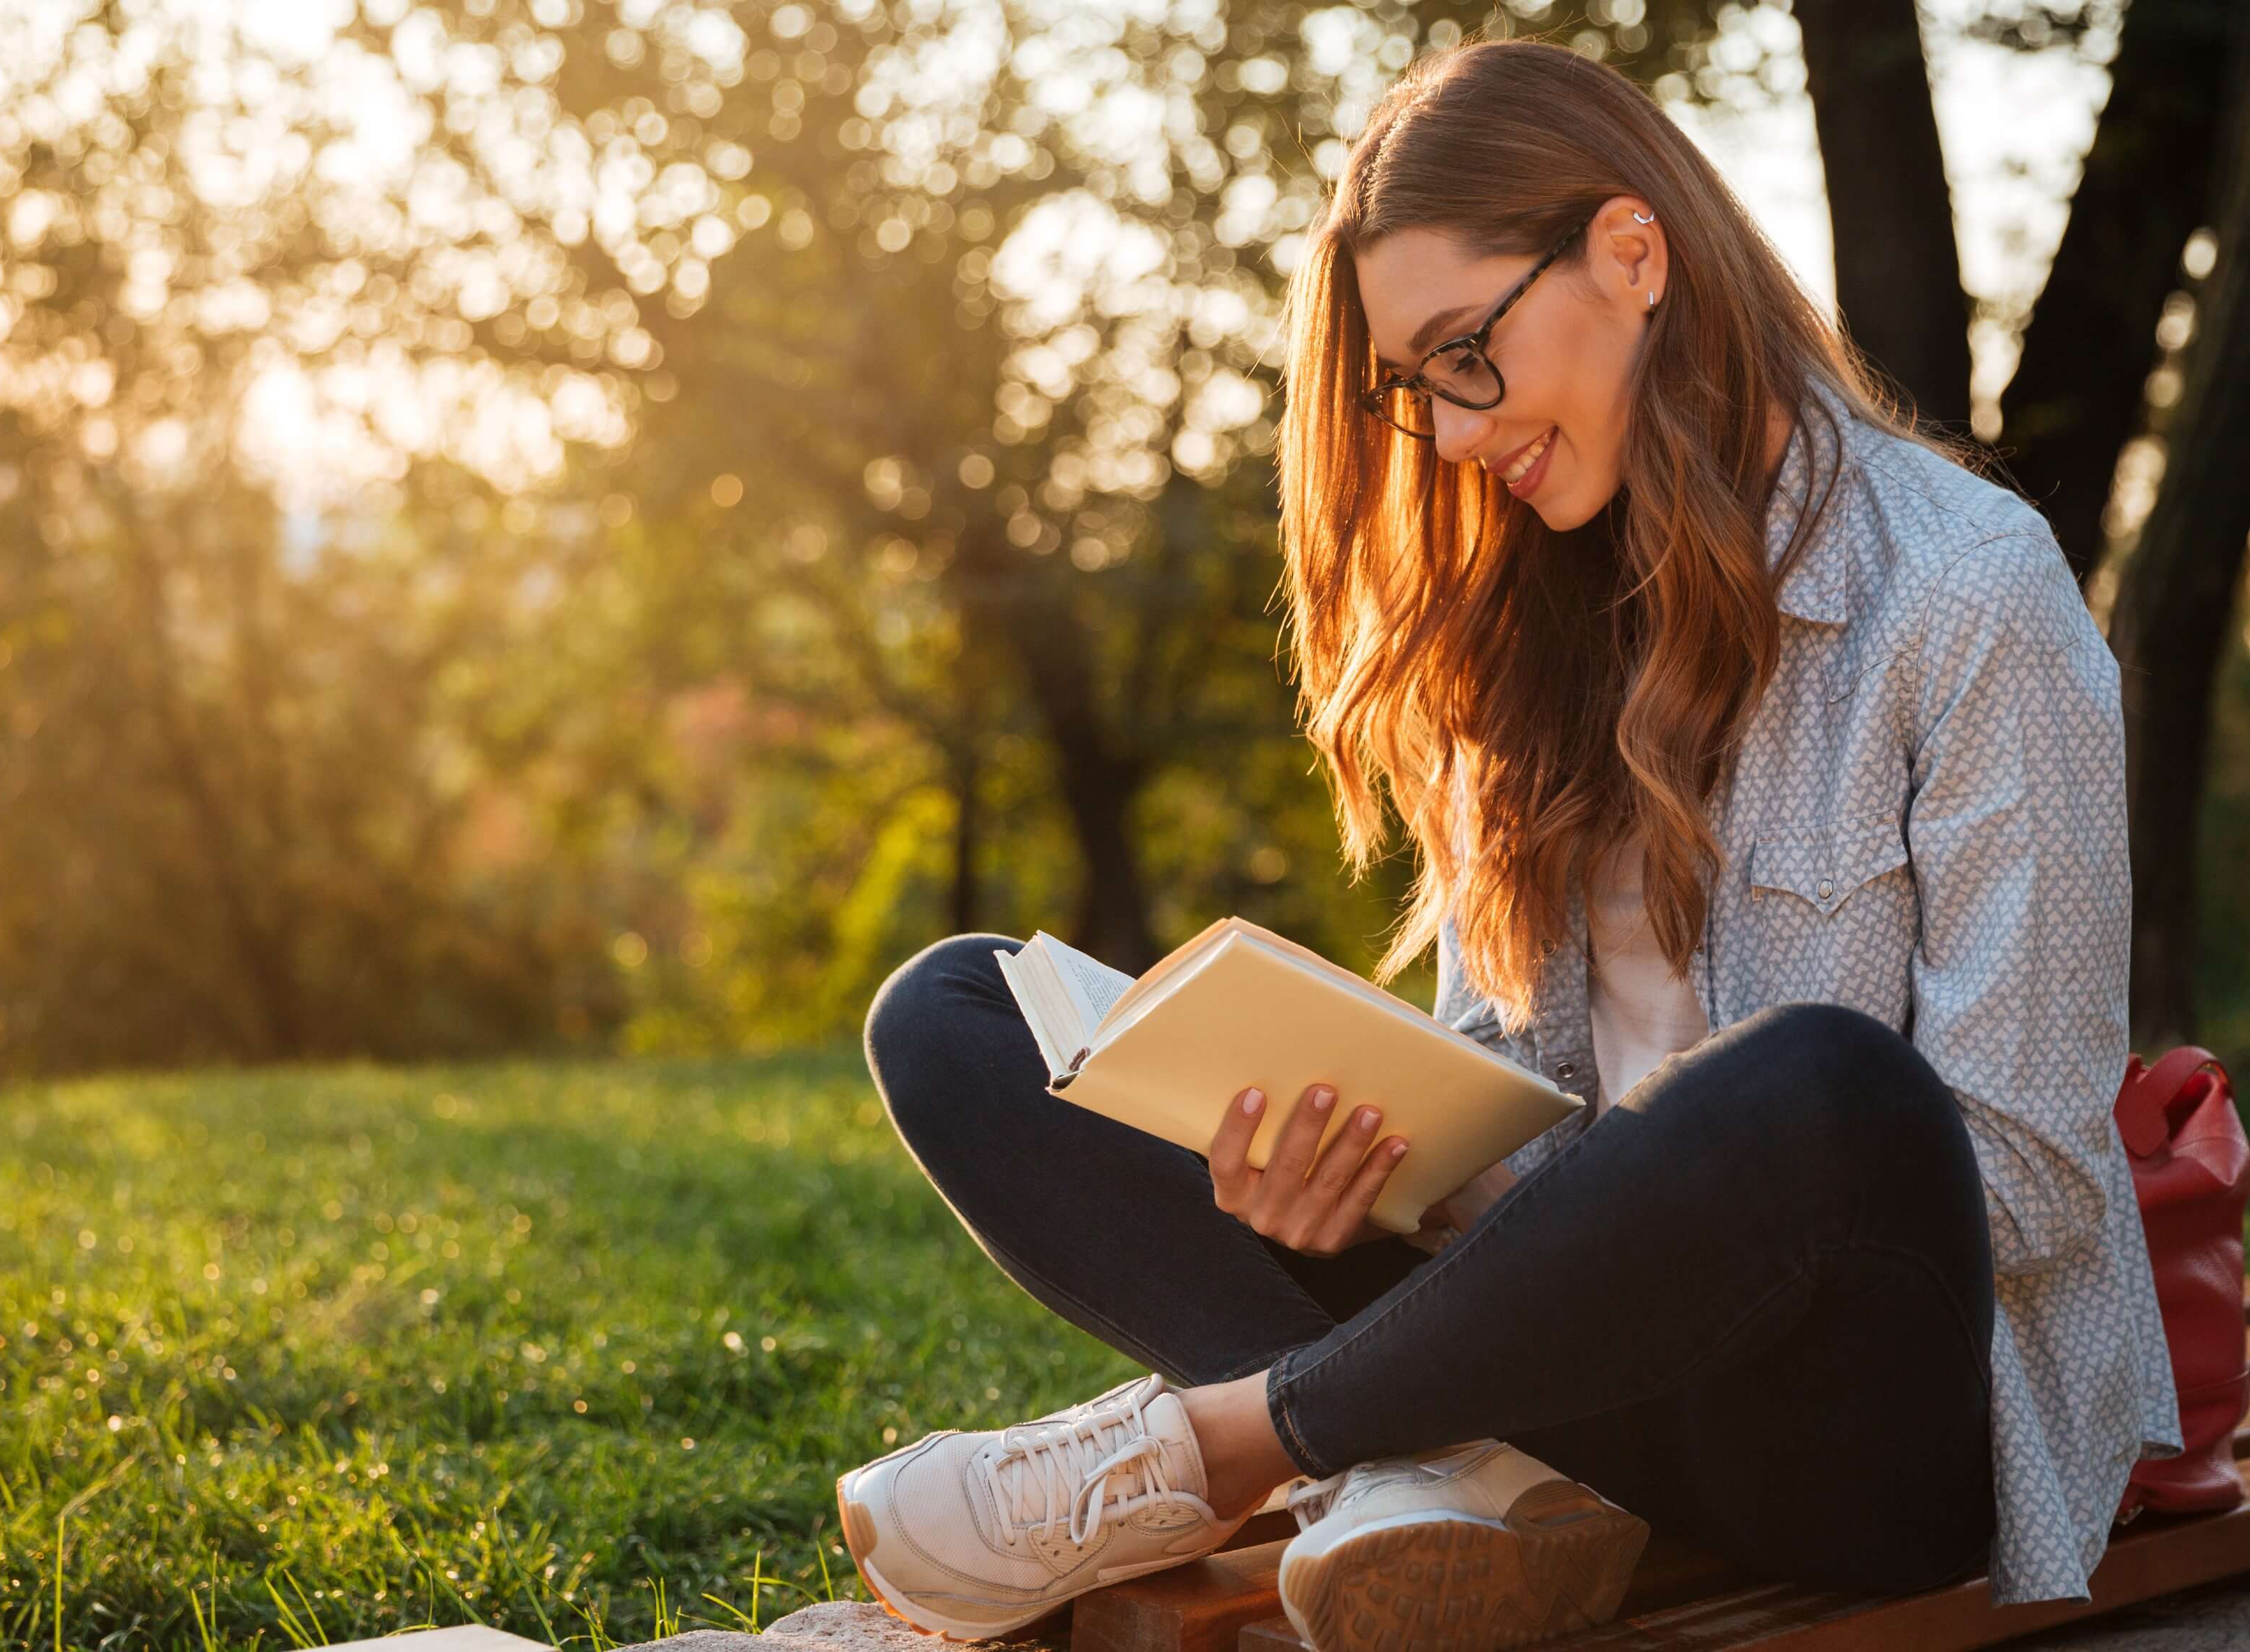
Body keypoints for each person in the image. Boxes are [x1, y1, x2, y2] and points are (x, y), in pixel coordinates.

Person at [833, 37, 2179, 1652]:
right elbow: (1501, 1088)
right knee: (958, 1012)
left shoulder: (1968, 598)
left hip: (1852, 1436)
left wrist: (1612, 1218)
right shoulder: (1527, 615)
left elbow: (2024, 1182)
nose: (1453, 434)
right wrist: (1380, 1179)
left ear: (1629, 253)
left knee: (1819, 1083)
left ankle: (1225, 1450)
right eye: (1416, 390)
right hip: (1550, 1376)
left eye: (1465, 354)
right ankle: (1430, 1462)